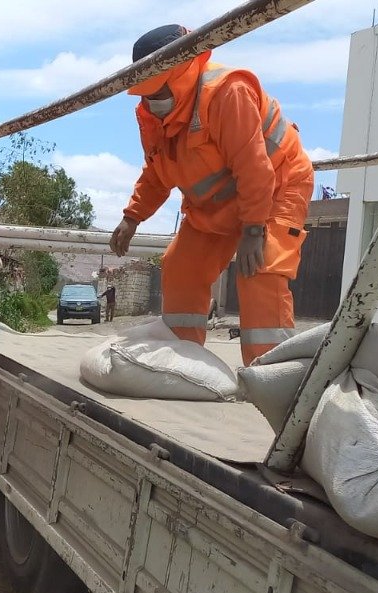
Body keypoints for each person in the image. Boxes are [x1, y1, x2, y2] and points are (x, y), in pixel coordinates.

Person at [109, 24, 314, 365]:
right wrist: (132, 217)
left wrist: (253, 230)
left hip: (277, 186)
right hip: (219, 203)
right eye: (144, 93)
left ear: (181, 74)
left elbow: (254, 168)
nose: (150, 100)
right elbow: (158, 171)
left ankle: (271, 376)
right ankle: (181, 362)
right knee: (180, 267)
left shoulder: (227, 92)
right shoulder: (152, 114)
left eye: (156, 91)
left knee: (258, 271)